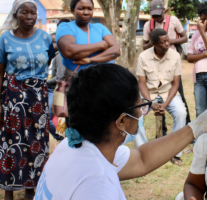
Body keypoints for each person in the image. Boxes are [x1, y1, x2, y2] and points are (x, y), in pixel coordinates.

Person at [34, 63, 207, 199]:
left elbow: (142, 159)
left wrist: (195, 128)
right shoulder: (96, 184)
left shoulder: (73, 144)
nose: (143, 112)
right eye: (141, 106)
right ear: (122, 121)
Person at [0, 0, 55, 199]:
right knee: (12, 141)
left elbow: (47, 61)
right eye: (25, 12)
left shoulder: (45, 38)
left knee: (36, 140)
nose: (30, 17)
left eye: (33, 13)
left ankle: (32, 189)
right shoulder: (5, 39)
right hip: (13, 96)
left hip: (38, 97)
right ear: (15, 15)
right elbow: (0, 73)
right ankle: (9, 190)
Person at [137, 28, 187, 165]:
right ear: (153, 43)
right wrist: (149, 104)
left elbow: (176, 84)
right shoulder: (143, 57)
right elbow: (142, 84)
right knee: (136, 115)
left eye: (168, 41)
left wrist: (165, 105)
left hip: (168, 93)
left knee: (181, 113)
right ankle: (143, 153)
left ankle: (175, 153)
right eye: (163, 42)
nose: (167, 44)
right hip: (149, 94)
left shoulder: (175, 56)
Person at [143, 0, 191, 138]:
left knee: (179, 98)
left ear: (164, 11)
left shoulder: (173, 20)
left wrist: (168, 42)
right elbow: (144, 46)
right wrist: (155, 44)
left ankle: (185, 129)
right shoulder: (148, 25)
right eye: (154, 16)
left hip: (171, 64)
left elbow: (184, 38)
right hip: (155, 65)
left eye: (159, 15)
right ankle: (162, 133)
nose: (157, 18)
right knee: (158, 99)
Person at [55, 0, 120, 72]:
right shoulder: (65, 27)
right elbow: (69, 51)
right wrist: (101, 45)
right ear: (73, 10)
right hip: (77, 78)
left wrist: (90, 60)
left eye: (90, 9)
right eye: (81, 8)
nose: (86, 12)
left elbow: (116, 51)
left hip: (101, 77)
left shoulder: (100, 28)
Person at [47, 19, 71, 142]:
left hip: (72, 91)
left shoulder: (76, 52)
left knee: (70, 119)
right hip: (58, 91)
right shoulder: (57, 56)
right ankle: (61, 140)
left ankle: (68, 140)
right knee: (57, 118)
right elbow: (56, 77)